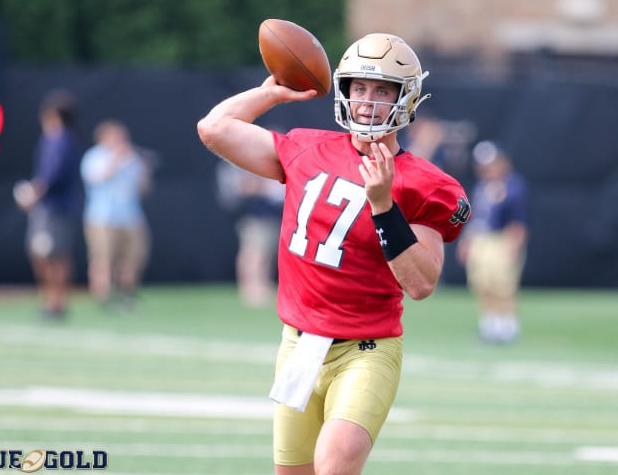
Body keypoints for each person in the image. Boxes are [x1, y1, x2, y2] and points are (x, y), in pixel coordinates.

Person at [197, 32, 471, 475]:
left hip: (366, 348)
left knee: (335, 464)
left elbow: (422, 283)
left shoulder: (425, 183)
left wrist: (383, 206)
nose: (367, 101)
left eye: (383, 89)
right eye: (359, 87)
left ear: (407, 98)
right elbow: (213, 128)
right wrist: (270, 93)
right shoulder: (307, 147)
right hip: (298, 346)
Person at [13, 89, 82, 319]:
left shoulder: (59, 140)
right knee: (48, 254)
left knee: (52, 255)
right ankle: (53, 301)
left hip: (53, 210)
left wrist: (32, 195)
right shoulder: (64, 140)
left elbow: (50, 176)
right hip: (56, 209)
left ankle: (56, 302)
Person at [456, 140, 528, 344]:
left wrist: (514, 244)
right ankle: (489, 325)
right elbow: (477, 218)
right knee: (482, 283)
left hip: (501, 239)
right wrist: (467, 241)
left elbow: (518, 220)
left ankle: (508, 326)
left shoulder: (513, 186)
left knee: (503, 284)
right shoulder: (482, 187)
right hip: (482, 239)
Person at [80, 119, 152, 311]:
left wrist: (145, 167)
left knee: (134, 256)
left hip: (131, 217)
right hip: (103, 217)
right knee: (103, 257)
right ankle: (104, 297)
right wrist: (116, 159)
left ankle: (127, 294)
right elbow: (98, 178)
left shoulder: (133, 158)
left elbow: (142, 188)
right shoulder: (94, 156)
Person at [215, 160, 284, 307]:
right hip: (253, 217)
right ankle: (249, 288)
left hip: (271, 216)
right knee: (252, 254)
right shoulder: (240, 164)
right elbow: (240, 188)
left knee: (266, 255)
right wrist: (260, 187)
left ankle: (263, 285)